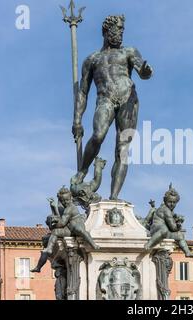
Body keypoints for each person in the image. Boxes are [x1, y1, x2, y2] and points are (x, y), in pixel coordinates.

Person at [71, 15, 153, 201]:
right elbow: (83, 92)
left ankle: (114, 197)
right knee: (98, 135)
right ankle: (82, 173)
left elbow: (143, 71)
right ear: (106, 32)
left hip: (128, 100)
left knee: (122, 149)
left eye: (122, 30)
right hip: (105, 99)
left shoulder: (129, 52)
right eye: (117, 30)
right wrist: (77, 120)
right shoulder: (92, 59)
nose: (120, 34)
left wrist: (147, 72)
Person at [31, 187, 99, 273]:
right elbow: (60, 219)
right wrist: (54, 209)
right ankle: (49, 249)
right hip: (70, 228)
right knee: (55, 232)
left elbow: (62, 222)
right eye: (63, 201)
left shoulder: (70, 208)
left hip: (75, 227)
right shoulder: (65, 208)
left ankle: (93, 244)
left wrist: (56, 222)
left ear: (71, 198)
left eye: (67, 200)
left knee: (81, 231)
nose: (65, 202)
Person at [143, 184, 193, 257]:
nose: (172, 204)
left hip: (163, 232)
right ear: (165, 200)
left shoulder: (170, 211)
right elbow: (172, 227)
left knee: (180, 236)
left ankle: (187, 252)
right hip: (156, 230)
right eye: (170, 202)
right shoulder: (166, 210)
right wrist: (178, 226)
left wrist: (178, 220)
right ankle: (149, 244)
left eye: (174, 202)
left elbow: (173, 222)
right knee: (164, 230)